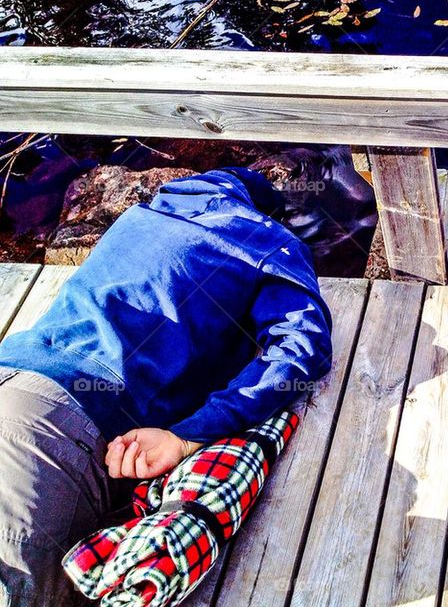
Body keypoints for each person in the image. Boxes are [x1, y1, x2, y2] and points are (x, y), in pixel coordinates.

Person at [0, 167, 332, 606]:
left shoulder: (140, 217)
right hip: (56, 423)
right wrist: (190, 435)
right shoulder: (262, 235)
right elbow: (301, 348)